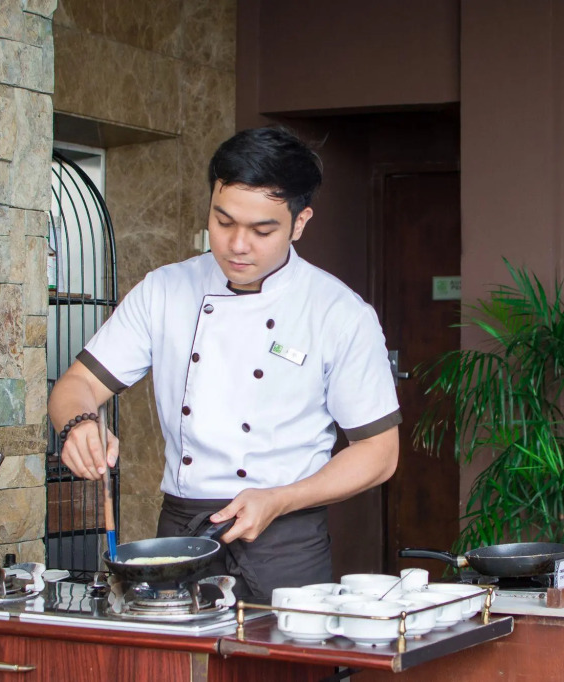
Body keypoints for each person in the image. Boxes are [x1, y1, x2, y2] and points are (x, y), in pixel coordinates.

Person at [48, 126, 401, 601]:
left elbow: (379, 453)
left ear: (299, 223)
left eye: (262, 231)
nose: (237, 244)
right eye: (223, 221)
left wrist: (279, 499)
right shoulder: (164, 290)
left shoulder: (338, 312)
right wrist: (78, 423)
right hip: (180, 535)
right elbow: (77, 384)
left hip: (285, 540)